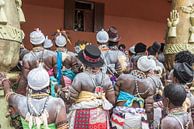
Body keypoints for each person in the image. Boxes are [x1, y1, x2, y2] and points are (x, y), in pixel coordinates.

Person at [0, 64, 68, 129]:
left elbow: (8, 94)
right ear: (48, 86)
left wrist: (4, 80)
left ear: (28, 87)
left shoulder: (19, 101)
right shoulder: (58, 103)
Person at [68, 45, 115, 129]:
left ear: (84, 63)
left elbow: (72, 99)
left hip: (82, 113)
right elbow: (112, 100)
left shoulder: (80, 77)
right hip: (101, 113)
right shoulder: (106, 78)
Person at [111, 56, 163, 129]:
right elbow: (149, 109)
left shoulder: (122, 78)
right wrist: (150, 124)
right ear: (150, 70)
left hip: (119, 116)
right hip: (138, 119)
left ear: (137, 64)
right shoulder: (149, 85)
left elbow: (113, 99)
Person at [18, 28, 56, 95]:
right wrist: (62, 88)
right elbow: (58, 74)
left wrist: (20, 93)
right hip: (49, 88)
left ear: (31, 42)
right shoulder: (52, 55)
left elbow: (25, 77)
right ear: (43, 41)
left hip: (33, 89)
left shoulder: (27, 57)